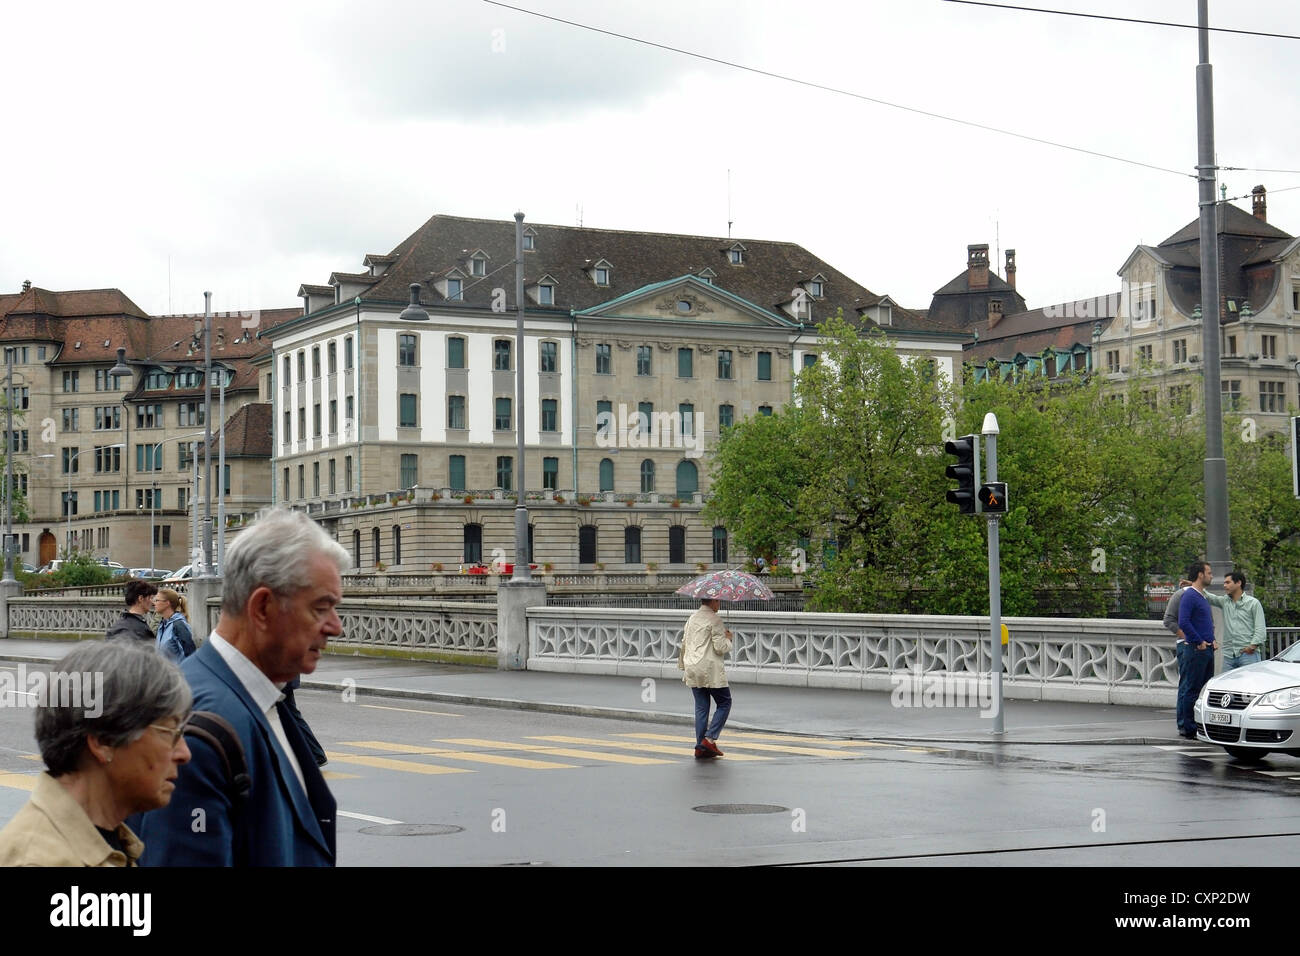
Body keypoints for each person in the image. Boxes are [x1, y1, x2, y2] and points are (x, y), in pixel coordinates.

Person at [136, 508, 348, 866]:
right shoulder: (202, 728)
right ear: (263, 607)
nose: (335, 626)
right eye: (321, 608)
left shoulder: (257, 697)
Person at [0, 641, 192, 866]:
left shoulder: (114, 842)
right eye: (169, 732)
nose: (184, 753)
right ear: (103, 742)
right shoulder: (39, 860)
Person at [678, 597, 734, 758]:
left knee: (701, 708)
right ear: (713, 601)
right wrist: (729, 639)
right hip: (709, 670)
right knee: (725, 702)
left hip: (692, 667)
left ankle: (700, 746)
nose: (720, 604)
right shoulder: (715, 620)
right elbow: (720, 647)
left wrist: (684, 665)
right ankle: (709, 739)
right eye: (719, 601)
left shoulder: (692, 618)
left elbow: (684, 642)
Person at [1176, 560, 1219, 740]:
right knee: (1192, 689)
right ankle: (1189, 727)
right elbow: (1183, 621)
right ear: (1200, 575)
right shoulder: (1190, 596)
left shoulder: (1200, 596)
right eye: (1209, 572)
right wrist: (1199, 640)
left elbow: (1204, 622)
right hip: (1196, 649)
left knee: (1203, 689)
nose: (1211, 576)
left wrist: (1212, 639)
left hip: (1207, 649)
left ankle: (1199, 725)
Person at [1203, 569, 1267, 671]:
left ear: (1238, 583)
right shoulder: (1225, 601)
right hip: (1229, 656)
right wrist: (1194, 586)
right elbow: (1210, 597)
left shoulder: (1253, 603)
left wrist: (1252, 646)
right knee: (1227, 686)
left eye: (1228, 582)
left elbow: (1260, 628)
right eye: (1224, 583)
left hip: (1248, 654)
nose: (1224, 586)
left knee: (1249, 685)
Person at [106, 579, 158, 644]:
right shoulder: (138, 629)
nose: (153, 602)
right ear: (141, 598)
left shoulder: (118, 625)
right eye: (150, 598)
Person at [153, 588, 196, 664]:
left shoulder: (179, 625)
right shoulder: (163, 624)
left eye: (157, 600)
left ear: (167, 603)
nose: (154, 603)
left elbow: (190, 656)